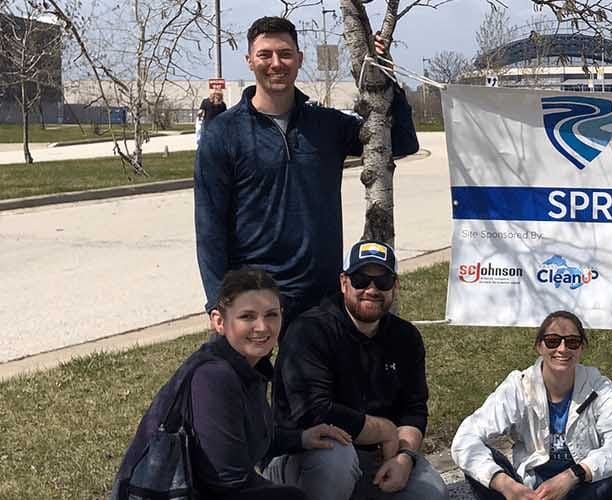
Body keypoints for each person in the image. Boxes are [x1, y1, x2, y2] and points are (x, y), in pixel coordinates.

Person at [194, 16, 419, 319]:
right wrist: (217, 302)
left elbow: (402, 142)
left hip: (321, 299)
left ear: (299, 59)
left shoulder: (327, 125)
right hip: (254, 299)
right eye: (265, 55)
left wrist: (385, 77)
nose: (276, 63)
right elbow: (209, 227)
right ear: (249, 61)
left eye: (285, 54)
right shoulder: (223, 133)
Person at [115, 269, 351, 500]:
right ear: (219, 321)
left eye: (271, 315)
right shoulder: (214, 377)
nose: (262, 327)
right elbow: (228, 481)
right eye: (247, 317)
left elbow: (246, 438)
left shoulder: (249, 367)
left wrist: (301, 438)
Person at [267, 240, 446, 500]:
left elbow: (414, 409)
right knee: (335, 456)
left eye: (382, 281)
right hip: (305, 454)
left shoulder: (406, 337)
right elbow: (314, 411)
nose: (371, 290)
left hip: (376, 457)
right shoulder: (309, 331)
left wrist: (404, 457)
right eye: (361, 279)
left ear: (395, 285)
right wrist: (384, 430)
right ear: (344, 282)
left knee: (431, 493)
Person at [451, 311, 612, 500]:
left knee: (604, 485)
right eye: (552, 341)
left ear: (581, 348)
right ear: (539, 346)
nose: (562, 349)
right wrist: (506, 485)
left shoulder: (598, 386)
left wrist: (573, 475)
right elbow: (464, 439)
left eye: (572, 342)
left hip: (578, 484)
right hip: (529, 487)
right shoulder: (519, 385)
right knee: (481, 467)